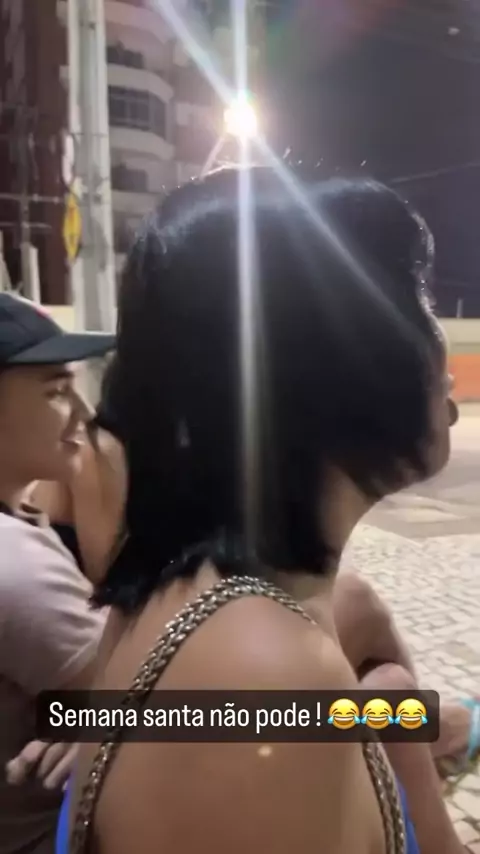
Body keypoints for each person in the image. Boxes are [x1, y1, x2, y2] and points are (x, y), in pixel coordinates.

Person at [59, 169, 469, 854]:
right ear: (339, 362)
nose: (442, 350)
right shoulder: (267, 673)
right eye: (418, 300)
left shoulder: (185, 590)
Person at [0, 293, 113, 854]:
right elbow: (170, 699)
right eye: (56, 391)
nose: (84, 413)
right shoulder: (15, 565)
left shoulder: (21, 522)